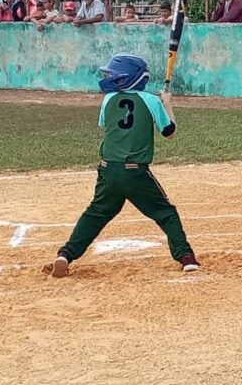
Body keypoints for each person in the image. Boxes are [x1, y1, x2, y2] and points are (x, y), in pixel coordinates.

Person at [48, 54, 200, 278]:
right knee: (166, 213)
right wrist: (167, 105)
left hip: (108, 170)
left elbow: (108, 124)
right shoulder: (151, 100)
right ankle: (186, 257)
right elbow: (170, 133)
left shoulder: (108, 100)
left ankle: (66, 254)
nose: (111, 78)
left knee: (96, 213)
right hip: (135, 172)